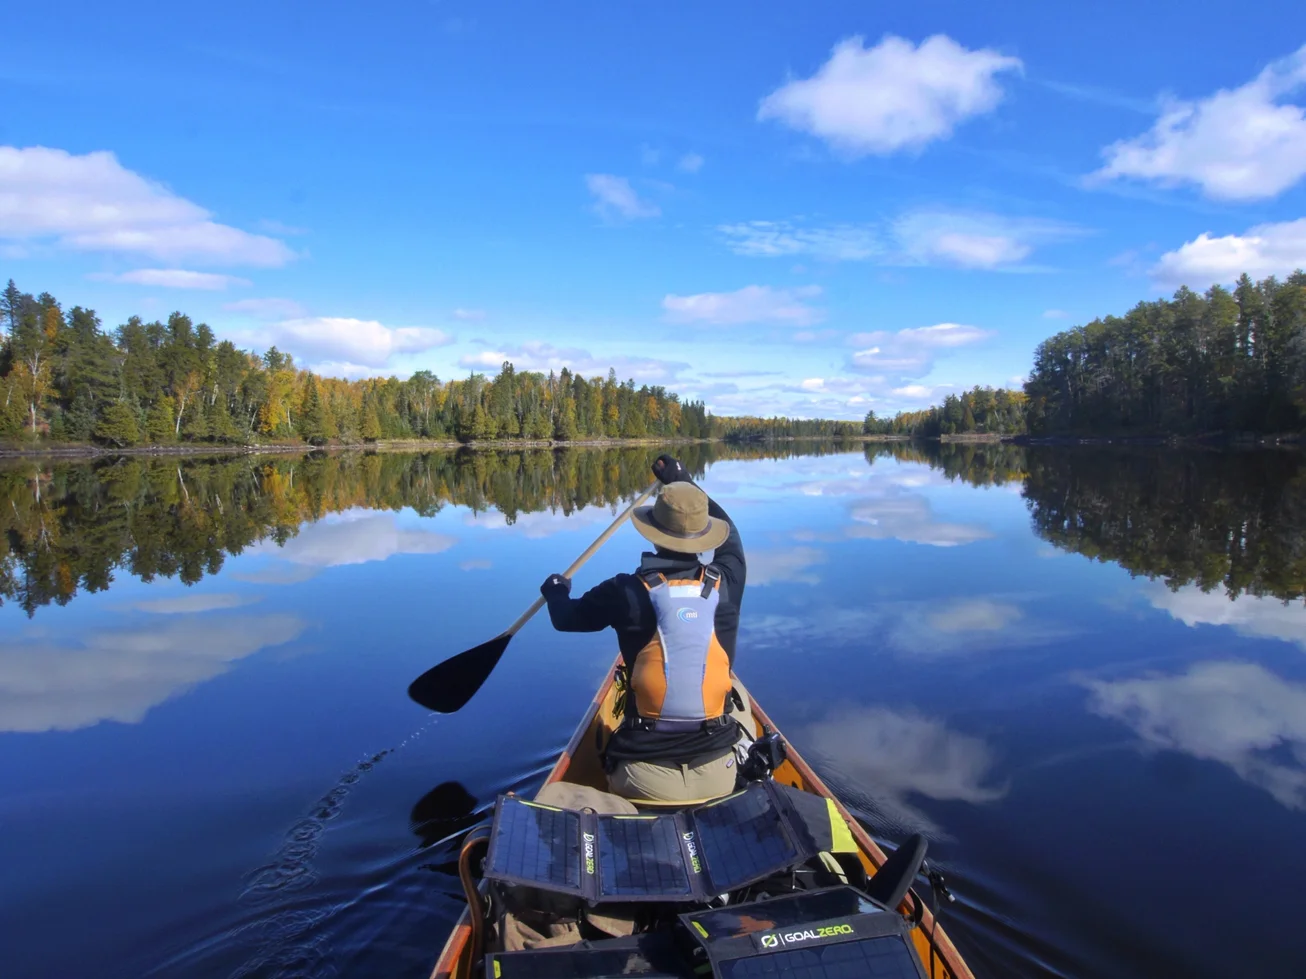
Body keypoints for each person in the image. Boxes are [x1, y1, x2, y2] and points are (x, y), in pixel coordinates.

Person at [540, 453, 748, 804]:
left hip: (642, 779)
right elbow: (733, 542)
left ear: (654, 535)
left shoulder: (624, 590)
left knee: (558, 793)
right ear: (705, 536)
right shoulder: (727, 581)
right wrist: (684, 482)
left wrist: (556, 592)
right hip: (720, 775)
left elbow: (566, 620)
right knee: (742, 712)